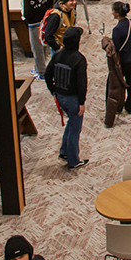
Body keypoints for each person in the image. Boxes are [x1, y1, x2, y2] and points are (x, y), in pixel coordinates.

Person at [45, 26, 89, 168]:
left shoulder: (57, 54)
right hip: (73, 99)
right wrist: (82, 102)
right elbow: (82, 83)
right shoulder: (79, 59)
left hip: (60, 96)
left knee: (70, 124)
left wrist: (53, 91)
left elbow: (47, 74)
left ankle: (64, 151)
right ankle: (73, 160)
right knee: (75, 129)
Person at [21, 0, 51, 79]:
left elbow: (27, 10)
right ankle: (39, 68)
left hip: (34, 23)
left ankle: (42, 73)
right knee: (42, 44)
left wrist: (27, 20)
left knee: (36, 48)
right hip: (45, 19)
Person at [111, 1, 131, 115]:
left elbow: (116, 48)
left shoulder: (117, 30)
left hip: (124, 60)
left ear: (117, 13)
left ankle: (116, 106)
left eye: (113, 10)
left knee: (116, 82)